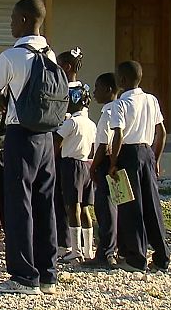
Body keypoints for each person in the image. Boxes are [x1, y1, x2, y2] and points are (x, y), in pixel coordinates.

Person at [0, 0, 59, 295]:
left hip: (20, 134)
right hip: (47, 136)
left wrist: (8, 105)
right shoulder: (51, 54)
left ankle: (24, 276)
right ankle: (48, 273)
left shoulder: (11, 56)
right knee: (44, 204)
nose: (11, 23)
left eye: (14, 18)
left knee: (19, 205)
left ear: (25, 20)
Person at [109, 60, 170, 273]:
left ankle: (136, 257)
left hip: (128, 154)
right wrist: (156, 159)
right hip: (147, 152)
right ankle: (161, 257)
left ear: (122, 79)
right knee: (152, 205)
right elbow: (162, 132)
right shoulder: (151, 100)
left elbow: (118, 135)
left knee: (130, 207)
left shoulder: (120, 104)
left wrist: (113, 162)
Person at [54, 85, 97, 264]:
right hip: (86, 164)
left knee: (72, 207)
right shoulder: (91, 124)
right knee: (85, 208)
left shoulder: (71, 123)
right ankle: (88, 250)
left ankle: (75, 249)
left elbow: (57, 142)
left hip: (71, 165)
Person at [85, 72, 119, 269]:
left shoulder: (109, 113)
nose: (94, 92)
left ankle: (105, 253)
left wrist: (94, 166)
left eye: (97, 88)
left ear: (108, 89)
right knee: (111, 207)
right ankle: (110, 249)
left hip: (105, 162)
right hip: (111, 161)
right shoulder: (119, 109)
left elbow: (104, 145)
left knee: (105, 209)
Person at [54, 47, 85, 257]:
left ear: (66, 67)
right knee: (74, 202)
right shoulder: (84, 88)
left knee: (63, 199)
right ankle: (76, 242)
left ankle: (66, 241)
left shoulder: (65, 89)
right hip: (75, 145)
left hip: (64, 142)